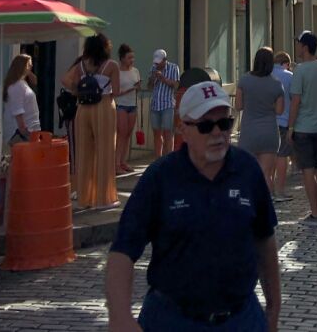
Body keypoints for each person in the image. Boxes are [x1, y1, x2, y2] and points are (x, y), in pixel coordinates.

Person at [107, 81, 280, 331]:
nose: (217, 133)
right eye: (206, 126)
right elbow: (122, 250)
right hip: (172, 319)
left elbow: (265, 239)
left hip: (241, 318)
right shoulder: (161, 177)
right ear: (183, 129)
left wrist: (273, 308)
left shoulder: (247, 170)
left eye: (224, 123)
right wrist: (120, 317)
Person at [62, 33, 120, 210]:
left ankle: (84, 198)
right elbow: (116, 91)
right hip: (103, 106)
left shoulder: (81, 65)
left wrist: (77, 91)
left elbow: (65, 80)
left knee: (84, 152)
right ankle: (104, 198)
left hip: (83, 109)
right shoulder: (111, 66)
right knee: (105, 151)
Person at [286, 31, 317, 228]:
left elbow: (296, 101)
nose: (296, 47)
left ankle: (314, 214)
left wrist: (290, 127)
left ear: (305, 47)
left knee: (307, 171)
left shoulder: (300, 71)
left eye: (298, 44)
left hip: (303, 127)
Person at [236, 47, 285, 188]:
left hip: (249, 132)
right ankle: (266, 206)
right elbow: (279, 111)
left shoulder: (244, 80)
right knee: (266, 174)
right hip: (269, 132)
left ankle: (249, 205)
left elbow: (238, 105)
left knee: (248, 173)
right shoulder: (276, 84)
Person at [147, 49, 180, 158]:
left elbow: (175, 85)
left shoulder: (174, 68)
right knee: (156, 133)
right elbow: (149, 87)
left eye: (159, 62)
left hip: (168, 105)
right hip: (155, 105)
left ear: (165, 60)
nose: (157, 64)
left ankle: (169, 159)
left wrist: (163, 78)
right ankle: (158, 159)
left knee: (168, 133)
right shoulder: (153, 68)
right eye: (155, 62)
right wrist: (152, 79)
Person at [3, 54, 40, 146]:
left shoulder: (22, 83)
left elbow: (34, 82)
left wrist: (31, 76)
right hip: (21, 133)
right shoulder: (16, 86)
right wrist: (24, 131)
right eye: (28, 64)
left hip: (31, 130)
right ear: (21, 67)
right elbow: (17, 111)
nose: (31, 66)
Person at [271, 51, 294, 202]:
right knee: (282, 156)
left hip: (268, 121)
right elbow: (295, 98)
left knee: (270, 156)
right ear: (286, 63)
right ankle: (280, 190)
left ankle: (270, 189)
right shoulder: (289, 76)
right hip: (284, 120)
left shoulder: (266, 75)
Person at [116, 44, 141, 175]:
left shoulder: (135, 71)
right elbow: (115, 92)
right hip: (121, 105)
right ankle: (116, 164)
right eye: (129, 57)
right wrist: (131, 88)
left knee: (128, 134)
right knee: (121, 134)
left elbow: (138, 87)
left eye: (133, 57)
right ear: (122, 58)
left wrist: (138, 87)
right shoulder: (117, 72)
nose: (132, 60)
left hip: (133, 105)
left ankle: (123, 161)